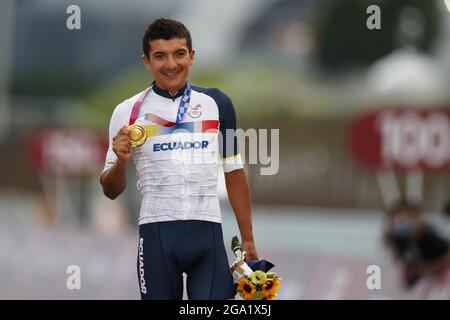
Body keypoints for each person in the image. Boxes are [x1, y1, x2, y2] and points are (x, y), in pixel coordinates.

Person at [100, 17, 258, 300]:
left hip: (208, 237)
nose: (171, 64)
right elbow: (110, 190)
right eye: (160, 56)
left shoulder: (218, 104)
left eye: (179, 54)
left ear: (192, 56)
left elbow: (234, 172)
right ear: (147, 61)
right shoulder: (127, 112)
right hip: (157, 238)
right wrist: (122, 161)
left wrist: (247, 238)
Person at [383, 200, 450, 289]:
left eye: (406, 220)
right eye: (398, 220)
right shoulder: (402, 241)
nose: (401, 224)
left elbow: (445, 259)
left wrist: (428, 268)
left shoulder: (429, 238)